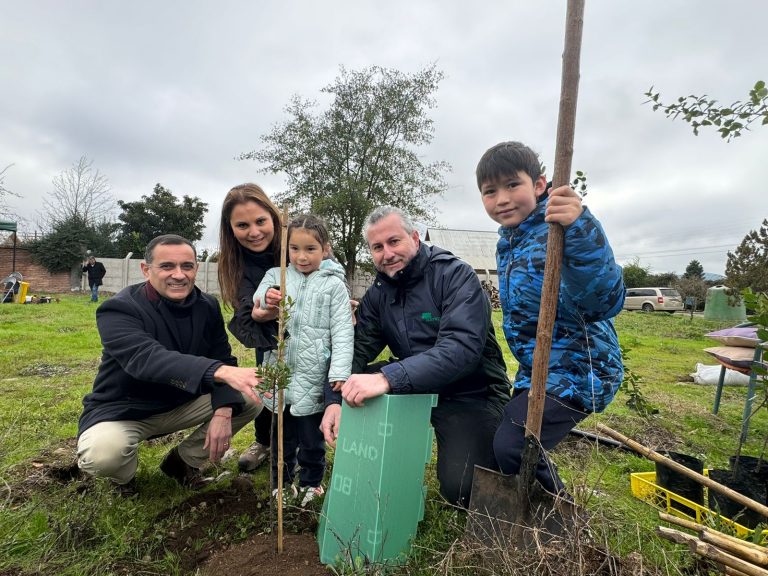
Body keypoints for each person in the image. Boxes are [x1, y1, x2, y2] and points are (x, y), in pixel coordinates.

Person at [316, 206, 511, 507]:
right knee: (350, 382)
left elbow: (460, 349)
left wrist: (387, 379)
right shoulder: (380, 292)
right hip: (414, 385)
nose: (387, 253)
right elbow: (353, 348)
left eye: (394, 241)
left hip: (471, 390)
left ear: (415, 238)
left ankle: (502, 453)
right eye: (377, 247)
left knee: (462, 489)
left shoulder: (455, 275)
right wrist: (333, 400)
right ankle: (373, 478)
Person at [476, 141, 625, 495]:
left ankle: (561, 522)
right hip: (539, 369)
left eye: (513, 185)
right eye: (490, 191)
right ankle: (536, 506)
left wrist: (580, 227)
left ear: (539, 185)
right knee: (510, 440)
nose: (502, 199)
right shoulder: (509, 242)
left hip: (581, 367)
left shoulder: (562, 228)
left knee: (514, 445)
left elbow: (605, 300)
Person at [76, 234, 263, 490]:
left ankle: (183, 462)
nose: (179, 275)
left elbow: (220, 355)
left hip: (181, 403)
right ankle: (124, 477)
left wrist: (223, 410)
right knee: (104, 455)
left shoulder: (207, 305)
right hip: (125, 411)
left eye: (187, 266)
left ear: (196, 268)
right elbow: (146, 359)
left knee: (249, 398)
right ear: (146, 269)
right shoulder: (119, 308)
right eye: (167, 266)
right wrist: (219, 371)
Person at [254, 214, 354, 506]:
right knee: (280, 436)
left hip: (313, 374)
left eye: (310, 249)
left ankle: (312, 482)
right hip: (280, 373)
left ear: (325, 249)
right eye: (294, 248)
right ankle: (281, 484)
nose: (301, 256)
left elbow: (343, 332)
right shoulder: (277, 275)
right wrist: (268, 298)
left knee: (312, 439)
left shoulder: (334, 285)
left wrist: (339, 372)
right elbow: (259, 299)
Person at [217, 183, 282, 473]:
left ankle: (298, 447)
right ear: (230, 229)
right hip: (267, 335)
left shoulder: (298, 242)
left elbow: (330, 273)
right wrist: (259, 314)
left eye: (260, 221)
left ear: (274, 218)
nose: (254, 232)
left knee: (306, 393)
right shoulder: (235, 261)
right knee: (268, 386)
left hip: (309, 335)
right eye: (242, 225)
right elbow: (245, 310)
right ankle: (263, 442)